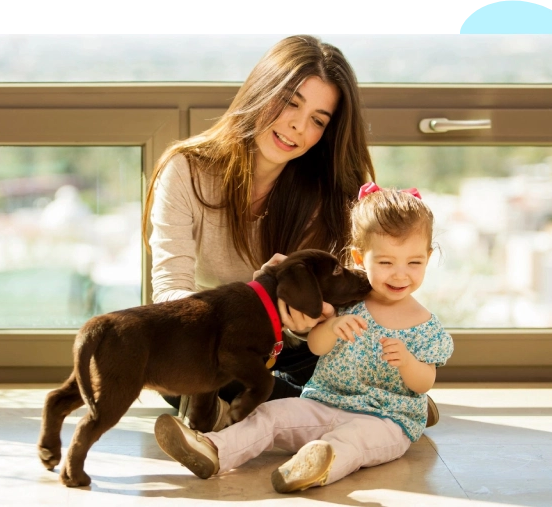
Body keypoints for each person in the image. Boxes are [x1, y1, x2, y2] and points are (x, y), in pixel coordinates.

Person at [153, 183, 455, 494]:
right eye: (386, 262)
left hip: (387, 421)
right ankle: (213, 449)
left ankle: (314, 464)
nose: (400, 274)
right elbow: (315, 347)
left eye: (413, 263)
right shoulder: (346, 303)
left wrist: (407, 362)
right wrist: (331, 326)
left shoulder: (424, 325)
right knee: (271, 414)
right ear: (360, 258)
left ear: (428, 258)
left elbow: (423, 383)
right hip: (324, 404)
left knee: (353, 441)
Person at [141, 34, 378, 430]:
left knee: (343, 354)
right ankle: (357, 411)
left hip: (294, 348)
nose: (297, 127)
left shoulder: (323, 193)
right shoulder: (186, 170)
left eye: (318, 120)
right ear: (263, 88)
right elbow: (169, 291)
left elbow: (342, 300)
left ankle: (281, 412)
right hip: (218, 343)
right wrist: (240, 307)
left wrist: (314, 318)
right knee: (171, 361)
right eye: (290, 102)